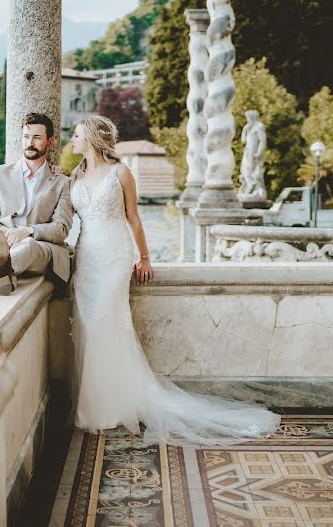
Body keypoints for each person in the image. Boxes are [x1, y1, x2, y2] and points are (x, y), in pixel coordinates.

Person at [68, 115, 280, 445]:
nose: (72, 140)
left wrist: (145, 257)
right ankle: (98, 405)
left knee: (103, 322)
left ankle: (113, 407)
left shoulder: (121, 173)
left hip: (113, 257)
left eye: (77, 135)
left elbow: (134, 219)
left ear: (92, 139)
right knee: (88, 325)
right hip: (86, 258)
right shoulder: (75, 176)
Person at [0, 112, 73, 295]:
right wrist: (4, 237)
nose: (29, 143)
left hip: (40, 248)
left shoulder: (62, 182)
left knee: (28, 246)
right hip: (3, 243)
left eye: (37, 138)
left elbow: (61, 228)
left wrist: (28, 231)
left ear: (50, 141)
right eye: (26, 137)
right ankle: (2, 273)